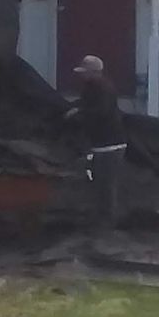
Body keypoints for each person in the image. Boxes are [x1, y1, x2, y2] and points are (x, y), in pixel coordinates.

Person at [67, 54, 126, 226]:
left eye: (85, 72)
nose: (81, 75)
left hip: (111, 144)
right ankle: (100, 216)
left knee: (106, 184)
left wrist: (80, 113)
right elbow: (85, 103)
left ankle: (108, 220)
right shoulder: (90, 87)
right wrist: (76, 108)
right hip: (100, 143)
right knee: (98, 182)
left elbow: (101, 111)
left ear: (95, 72)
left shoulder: (104, 89)